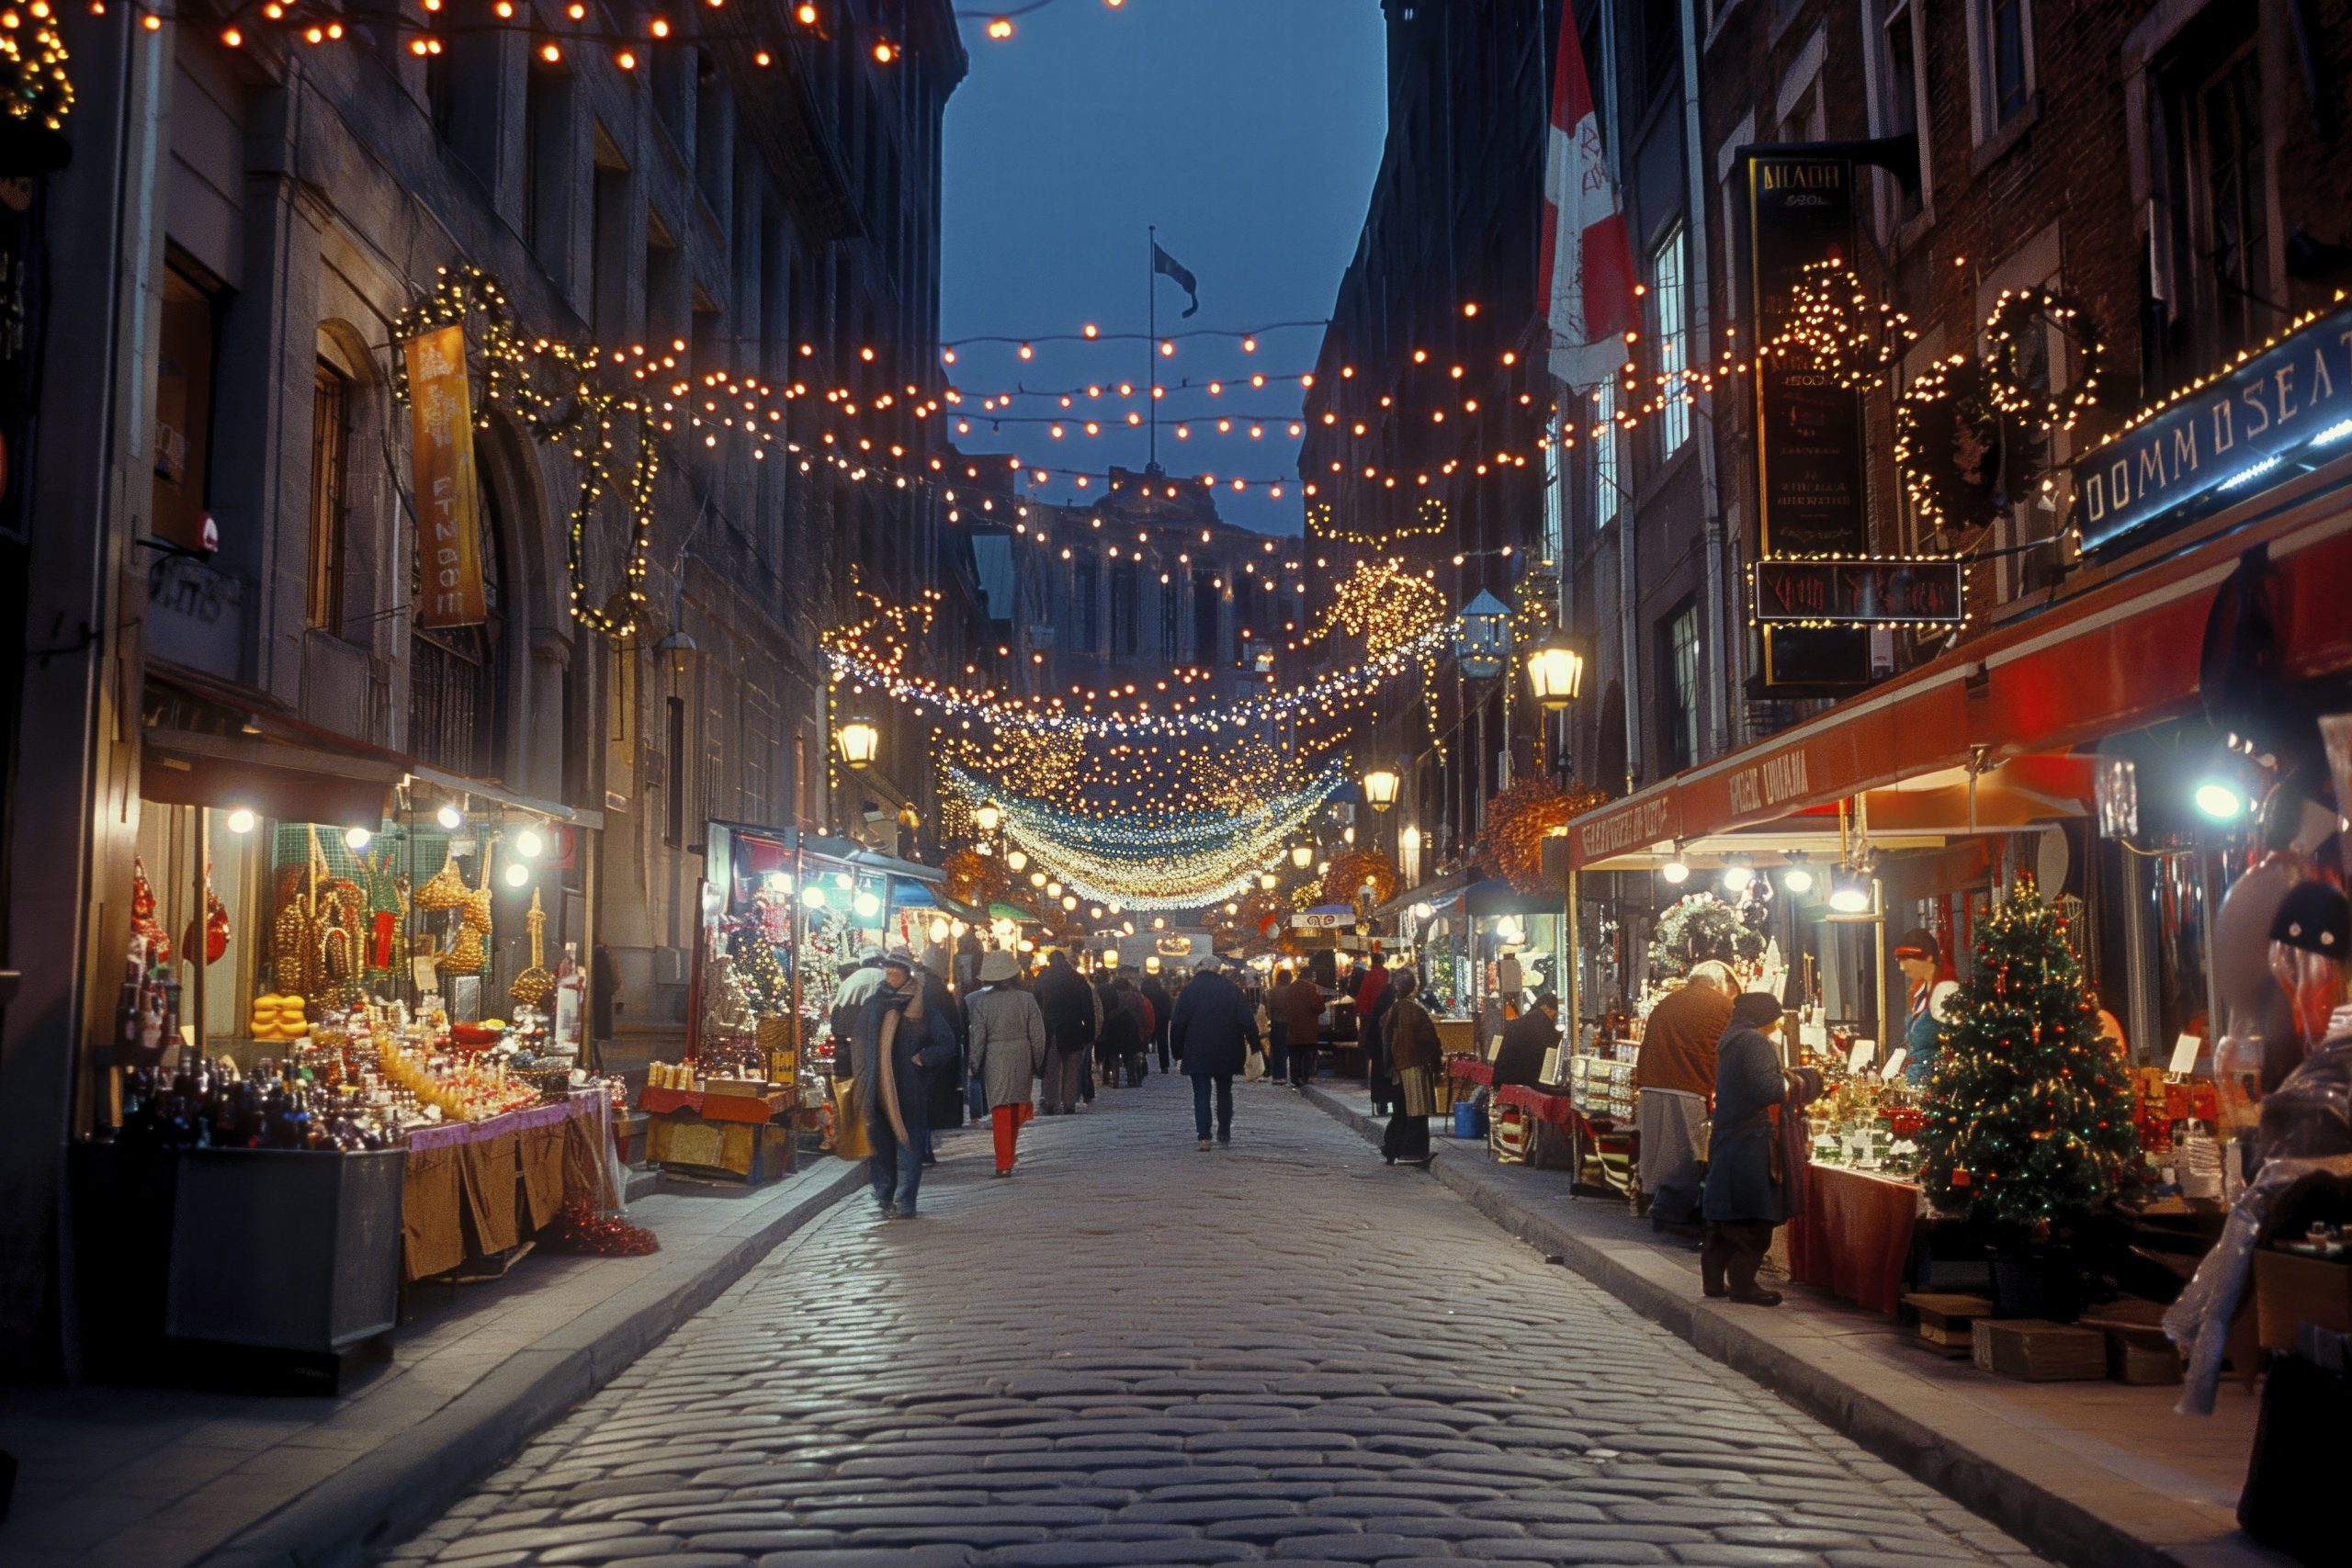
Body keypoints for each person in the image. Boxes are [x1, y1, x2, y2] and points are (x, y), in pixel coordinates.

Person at [1701, 992, 1826, 1303]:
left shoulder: (1732, 1040)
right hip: (1750, 1142)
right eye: (1776, 1018)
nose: (1778, 1024)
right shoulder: (1754, 1042)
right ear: (1764, 1017)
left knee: (1725, 1218)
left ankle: (1714, 1282)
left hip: (1730, 1139)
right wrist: (1800, 1082)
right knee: (1752, 1217)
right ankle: (1744, 1286)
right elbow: (1767, 1089)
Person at [852, 950, 960, 1219]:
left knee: (907, 1147)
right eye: (888, 969)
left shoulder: (921, 1005)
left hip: (910, 1088)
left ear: (906, 972)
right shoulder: (874, 1003)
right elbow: (861, 1042)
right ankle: (884, 1196)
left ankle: (905, 1202)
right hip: (878, 1088)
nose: (891, 973)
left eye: (895, 969)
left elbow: (947, 1042)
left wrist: (923, 1058)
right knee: (881, 1148)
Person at [1634, 960, 1738, 1228]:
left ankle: (1655, 1202)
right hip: (1688, 1087)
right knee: (1688, 1154)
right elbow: (1725, 1049)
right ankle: (1676, 1212)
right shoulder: (1723, 1006)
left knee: (1657, 1152)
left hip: (1650, 1085)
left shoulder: (1666, 1003)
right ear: (1718, 984)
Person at [965, 951, 1046, 1177]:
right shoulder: (1027, 1000)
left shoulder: (982, 1003)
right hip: (1022, 1053)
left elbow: (978, 1037)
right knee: (1018, 1104)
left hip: (994, 1056)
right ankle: (1008, 1155)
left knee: (1000, 1107)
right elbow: (1038, 1034)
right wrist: (1039, 1061)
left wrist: (974, 1062)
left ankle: (1004, 1161)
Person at [1170, 954, 1259, 1149]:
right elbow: (1247, 1020)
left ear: (1200, 968)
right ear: (1219, 970)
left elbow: (1178, 1024)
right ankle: (1224, 1132)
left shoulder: (1189, 991)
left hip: (1197, 1050)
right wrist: (1255, 1046)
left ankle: (1204, 1136)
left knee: (1201, 1093)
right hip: (1227, 1048)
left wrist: (1177, 1052)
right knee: (1224, 1091)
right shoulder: (1232, 990)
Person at [1379, 966, 1442, 1167]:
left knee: (1401, 1110)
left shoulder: (1392, 1010)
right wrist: (1437, 1064)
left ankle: (1392, 1148)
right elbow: (1429, 1040)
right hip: (1414, 1065)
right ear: (1413, 986)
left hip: (1397, 1068)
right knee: (1416, 1111)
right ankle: (1413, 1153)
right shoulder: (1414, 1011)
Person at [917, 957, 968, 1163]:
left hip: (924, 1055)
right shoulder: (939, 990)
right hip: (934, 1054)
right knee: (923, 1103)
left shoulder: (922, 994)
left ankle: (921, 1150)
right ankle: (924, 1149)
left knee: (918, 1103)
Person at [1894, 928, 1959, 1088]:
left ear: (1928, 957)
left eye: (1907, 959)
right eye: (1899, 961)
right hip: (1915, 1079)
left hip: (1933, 1083)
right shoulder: (1920, 991)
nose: (1902, 967)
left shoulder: (1946, 990)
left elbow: (1956, 1041)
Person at [1033, 949, 1095, 1114]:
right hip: (1074, 1029)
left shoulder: (1043, 978)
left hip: (1051, 1030)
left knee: (1051, 1070)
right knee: (1072, 1069)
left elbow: (1035, 1004)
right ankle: (1069, 1104)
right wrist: (1089, 1032)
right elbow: (1088, 1008)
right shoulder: (1077, 979)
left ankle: (1051, 1103)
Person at [1493, 990, 1563, 1089]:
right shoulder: (1546, 1027)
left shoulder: (1515, 1024)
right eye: (1553, 1015)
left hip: (1501, 1081)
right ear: (1546, 1008)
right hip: (1527, 1083)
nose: (1553, 1020)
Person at [1363, 959, 1405, 1115]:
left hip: (1379, 1042)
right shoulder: (1392, 996)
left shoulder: (1386, 994)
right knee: (1386, 1072)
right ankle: (1388, 1101)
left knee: (1382, 1072)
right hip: (1385, 1043)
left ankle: (1383, 1101)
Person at [1279, 964, 1326, 1089]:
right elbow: (1319, 1007)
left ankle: (1295, 1078)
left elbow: (1284, 1006)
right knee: (1307, 1053)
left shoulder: (1290, 988)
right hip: (1308, 1027)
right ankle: (1304, 1077)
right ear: (1310, 977)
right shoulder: (1311, 989)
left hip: (1293, 1028)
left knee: (1295, 1055)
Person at [1096, 971, 1142, 1089]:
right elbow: (1141, 1013)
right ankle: (1131, 1078)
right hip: (1131, 1028)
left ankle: (1114, 1079)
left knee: (1112, 1054)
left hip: (1114, 1027)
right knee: (1130, 1055)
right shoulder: (1134, 996)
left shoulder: (1112, 995)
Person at [1141, 966, 1174, 1074]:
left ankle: (1143, 1064)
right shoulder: (1163, 994)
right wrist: (1167, 1017)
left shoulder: (1145, 992)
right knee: (1163, 1042)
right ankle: (1164, 1066)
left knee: (1144, 1040)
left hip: (1147, 1017)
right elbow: (1168, 1006)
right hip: (1161, 1019)